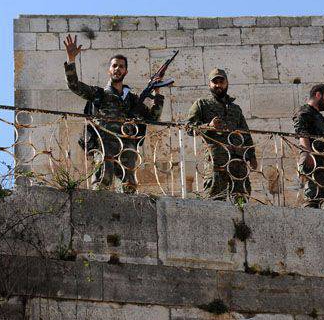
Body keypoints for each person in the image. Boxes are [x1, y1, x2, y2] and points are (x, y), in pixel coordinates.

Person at [63, 34, 164, 193]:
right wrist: (71, 59)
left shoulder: (132, 99)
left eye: (121, 66)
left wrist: (157, 94)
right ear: (109, 70)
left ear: (126, 71)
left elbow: (153, 118)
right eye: (114, 66)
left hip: (127, 147)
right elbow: (74, 86)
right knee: (103, 181)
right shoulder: (99, 94)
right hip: (104, 145)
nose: (118, 69)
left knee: (129, 186)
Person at [186, 68, 257, 201]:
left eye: (221, 81)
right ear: (209, 84)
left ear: (227, 83)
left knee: (241, 200)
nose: (218, 85)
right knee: (215, 201)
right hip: (217, 163)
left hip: (238, 163)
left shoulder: (235, 109)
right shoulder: (202, 104)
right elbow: (189, 128)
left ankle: (240, 221)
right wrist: (209, 126)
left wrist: (252, 155)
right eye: (215, 82)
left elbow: (245, 134)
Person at [292, 84, 324, 210]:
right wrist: (307, 154)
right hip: (313, 161)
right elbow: (302, 133)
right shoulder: (304, 112)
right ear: (318, 95)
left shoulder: (318, 115)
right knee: (313, 198)